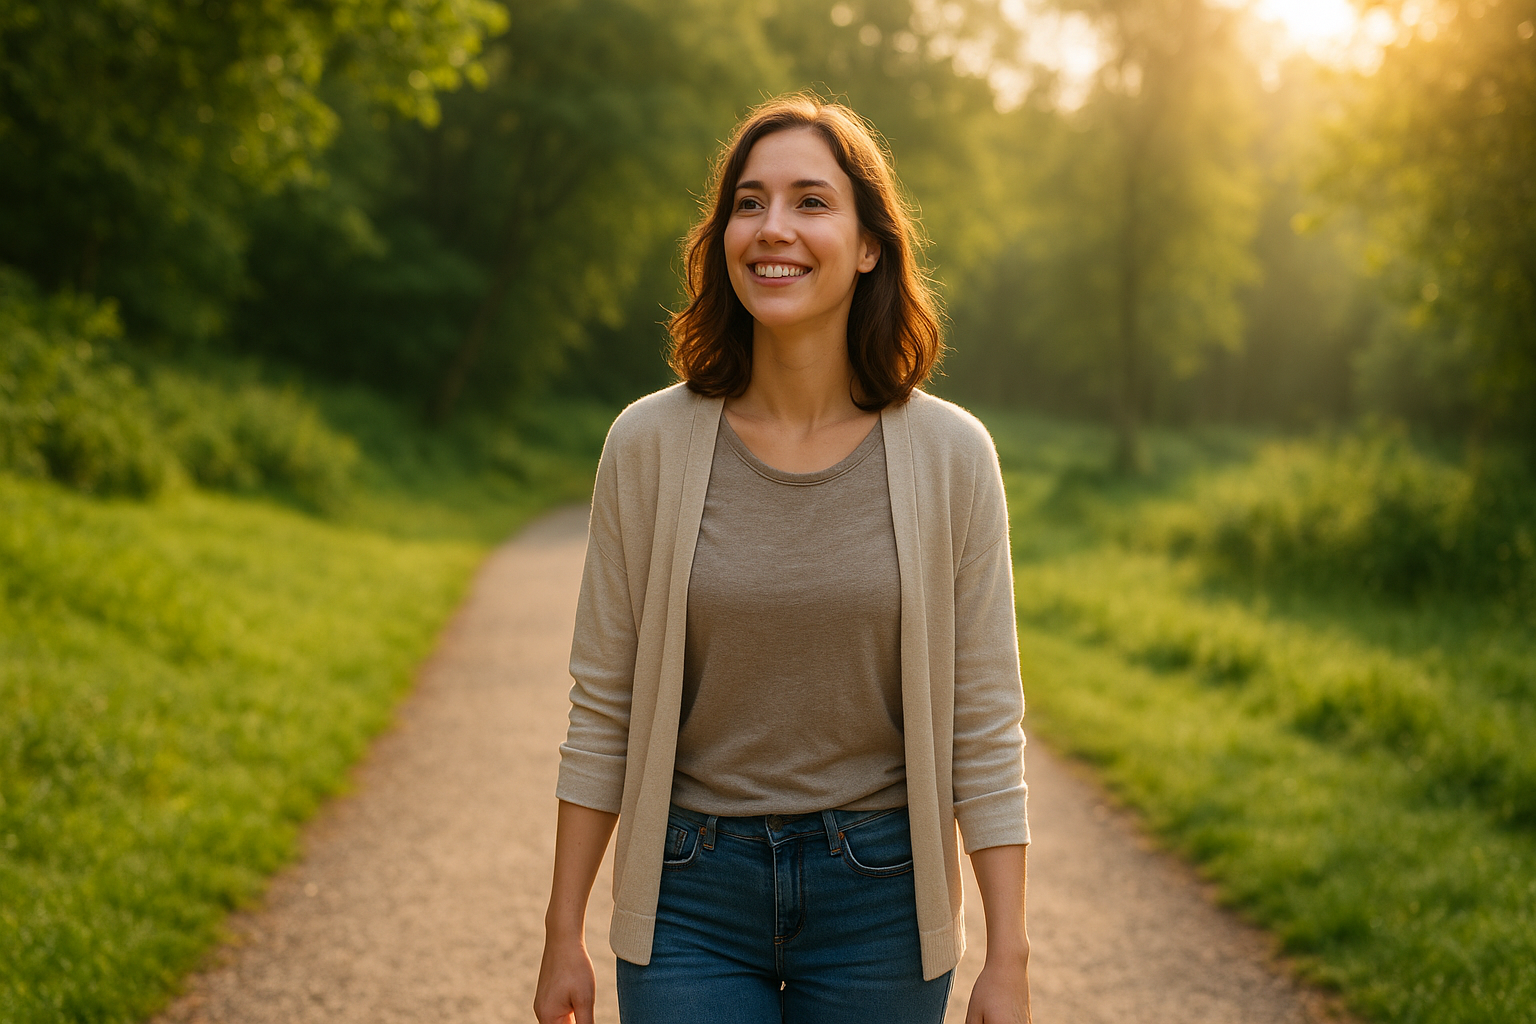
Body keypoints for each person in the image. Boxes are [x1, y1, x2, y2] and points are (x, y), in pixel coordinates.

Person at [533, 93, 1031, 1024]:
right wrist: (564, 930)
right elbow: (603, 701)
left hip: (882, 901)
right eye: (749, 202)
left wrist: (1010, 953)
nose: (774, 229)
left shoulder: (952, 456)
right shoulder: (647, 444)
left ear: (870, 242)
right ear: (723, 233)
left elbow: (985, 719)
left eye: (811, 201)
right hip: (689, 899)